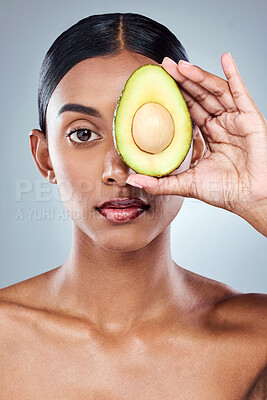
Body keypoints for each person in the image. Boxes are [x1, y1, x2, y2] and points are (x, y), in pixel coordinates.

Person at [0, 12, 266, 399]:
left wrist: (262, 200)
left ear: (193, 147)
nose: (117, 170)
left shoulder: (256, 339)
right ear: (44, 158)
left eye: (149, 126)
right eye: (83, 133)